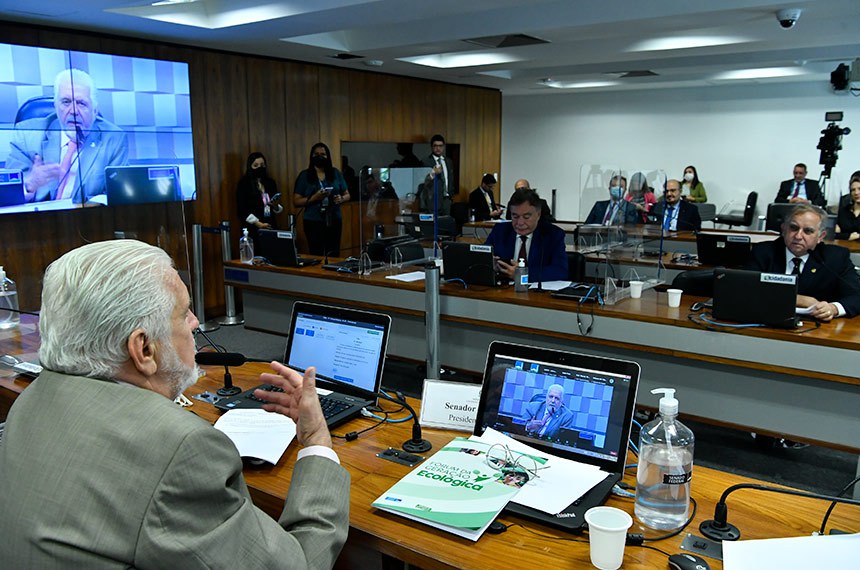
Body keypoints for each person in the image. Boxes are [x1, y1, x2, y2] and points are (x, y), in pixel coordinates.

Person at [0, 240, 349, 568]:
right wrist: (317, 439)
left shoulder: (30, 399)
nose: (196, 323)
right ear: (144, 349)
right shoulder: (179, 450)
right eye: (184, 313)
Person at [6, 68, 129, 203]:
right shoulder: (26, 134)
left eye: (81, 103)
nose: (73, 111)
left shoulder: (114, 139)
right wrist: (30, 184)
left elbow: (118, 196)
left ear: (95, 110)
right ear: (56, 106)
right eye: (66, 102)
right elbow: (8, 194)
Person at [746, 204, 860, 319]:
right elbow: (746, 289)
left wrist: (833, 308)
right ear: (784, 229)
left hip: (816, 328)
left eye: (808, 231)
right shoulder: (763, 252)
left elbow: (857, 295)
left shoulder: (835, 258)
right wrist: (799, 299)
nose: (798, 236)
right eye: (793, 228)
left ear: (820, 236)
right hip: (768, 320)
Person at [485, 187, 568, 283]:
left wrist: (523, 274)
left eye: (526, 217)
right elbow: (480, 259)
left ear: (538, 214)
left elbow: (561, 271)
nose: (520, 222)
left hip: (536, 295)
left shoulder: (553, 235)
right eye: (515, 216)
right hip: (504, 291)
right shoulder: (500, 231)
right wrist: (491, 265)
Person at [292, 142, 350, 256]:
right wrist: (315, 197)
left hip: (334, 219)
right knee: (316, 253)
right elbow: (296, 201)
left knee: (334, 252)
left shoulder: (335, 173)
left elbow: (347, 194)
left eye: (323, 154)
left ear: (328, 156)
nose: (320, 157)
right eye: (316, 154)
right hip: (313, 221)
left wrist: (341, 198)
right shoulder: (305, 175)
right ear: (311, 156)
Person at [236, 152, 283, 246]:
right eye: (256, 165)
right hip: (253, 227)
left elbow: (277, 207)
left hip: (270, 224)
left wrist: (275, 205)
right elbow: (242, 209)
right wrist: (259, 224)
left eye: (262, 165)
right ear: (250, 166)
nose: (260, 168)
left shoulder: (270, 182)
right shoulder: (244, 184)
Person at [419, 134, 456, 215]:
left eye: (440, 146)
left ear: (443, 147)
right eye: (435, 146)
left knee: (445, 225)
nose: (438, 148)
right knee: (434, 225)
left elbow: (450, 179)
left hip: (446, 200)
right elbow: (423, 182)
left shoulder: (448, 161)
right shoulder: (426, 161)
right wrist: (433, 173)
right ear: (431, 147)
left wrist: (451, 196)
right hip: (433, 201)